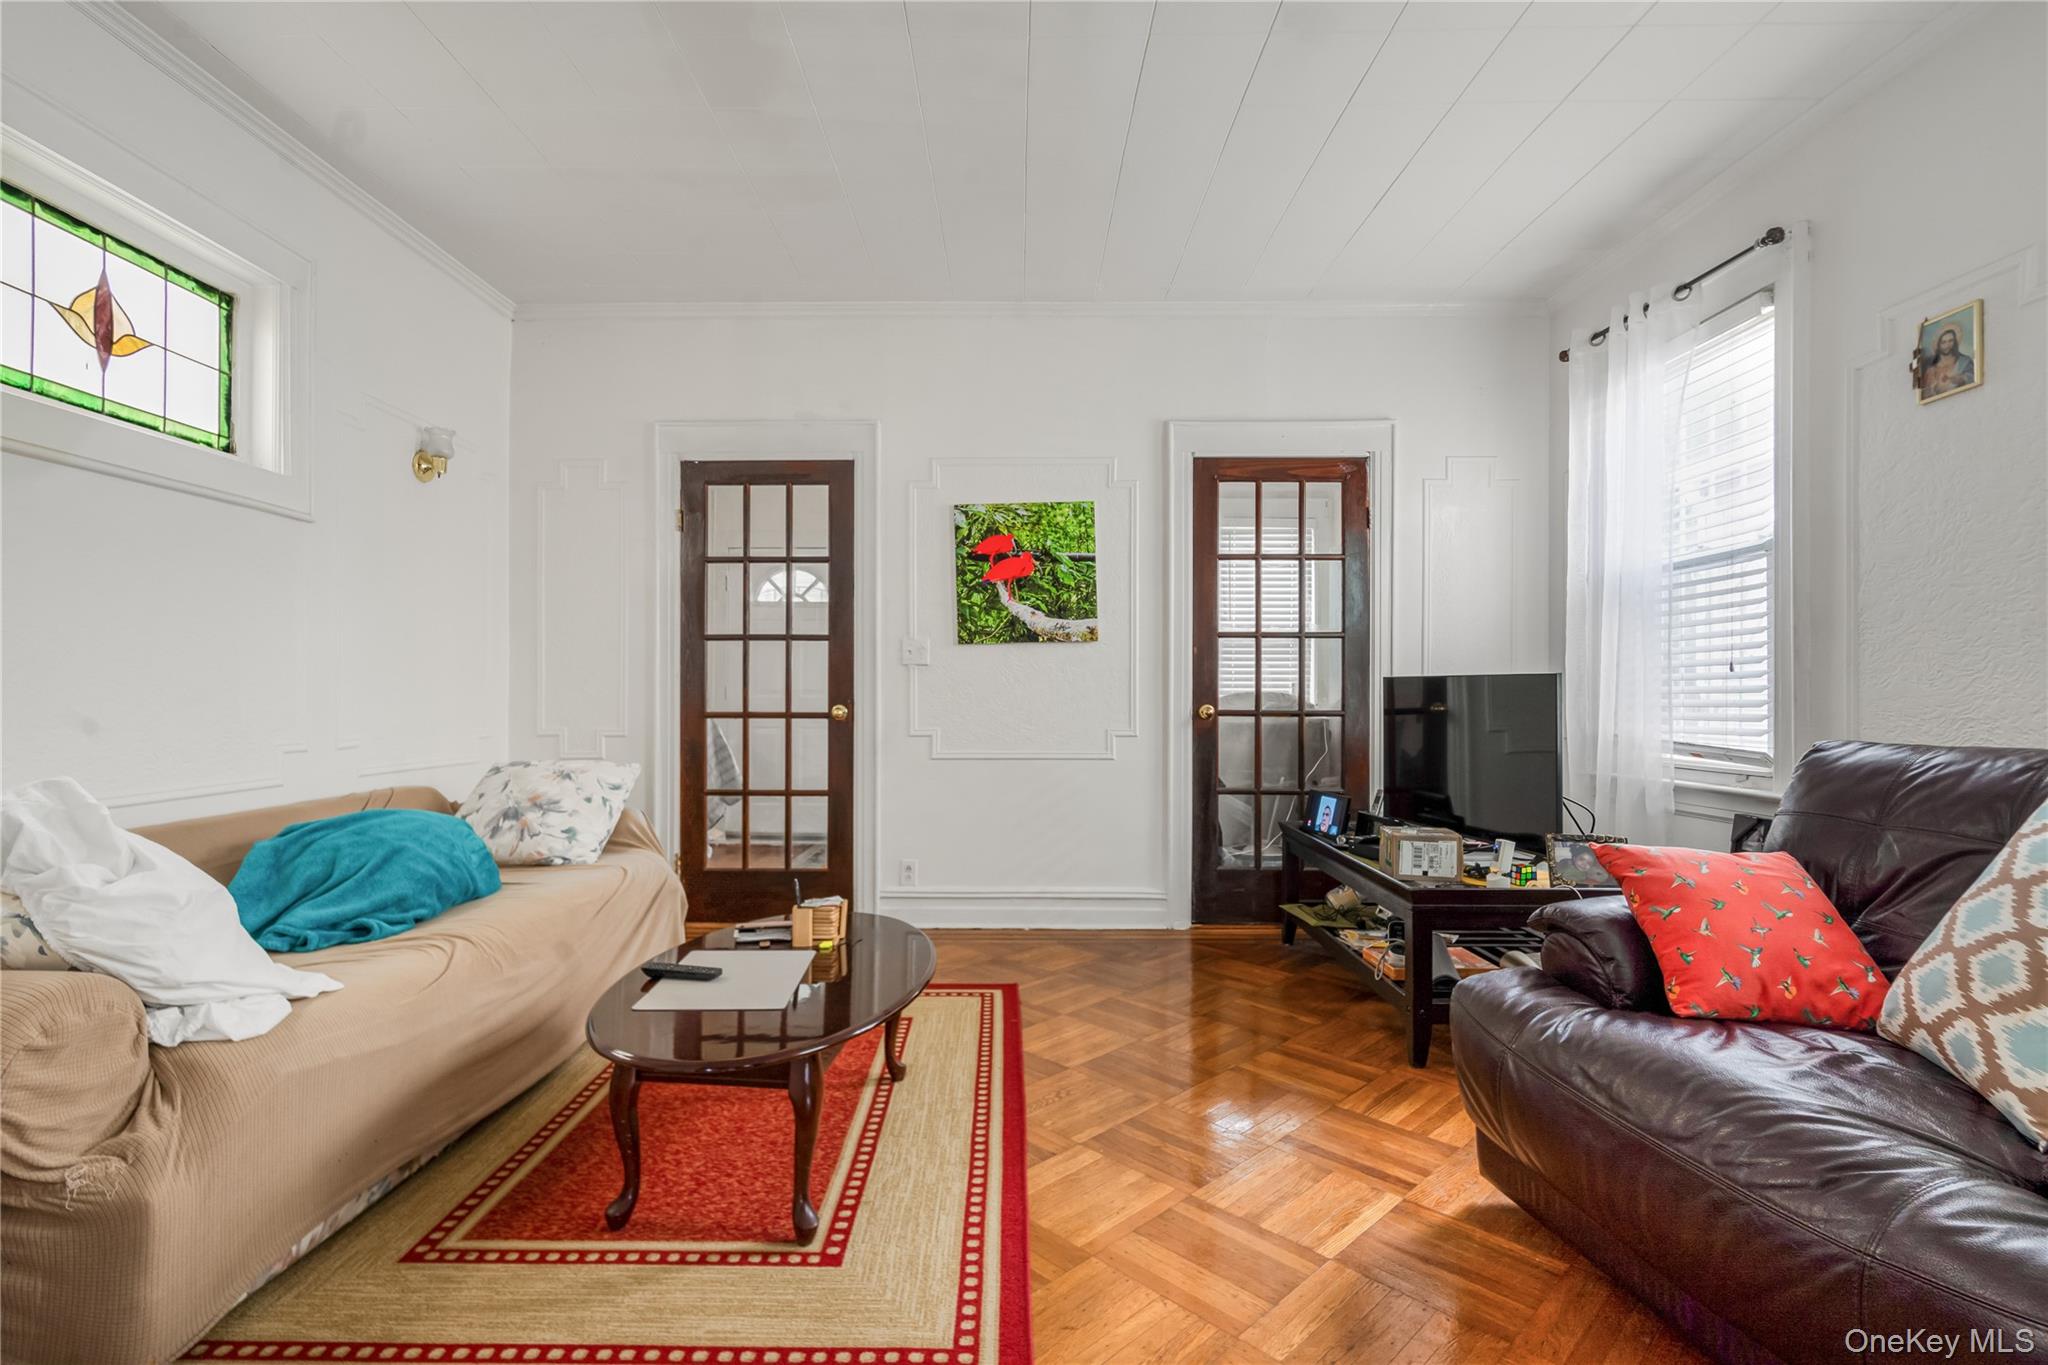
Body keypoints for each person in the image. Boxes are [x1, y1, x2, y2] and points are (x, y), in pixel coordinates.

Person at [1920, 324, 1976, 396]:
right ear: (1938, 344)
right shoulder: (1930, 368)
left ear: (1955, 342)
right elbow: (1925, 393)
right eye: (1943, 342)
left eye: (1950, 341)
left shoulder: (1964, 361)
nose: (1947, 345)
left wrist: (1958, 379)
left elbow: (1972, 377)